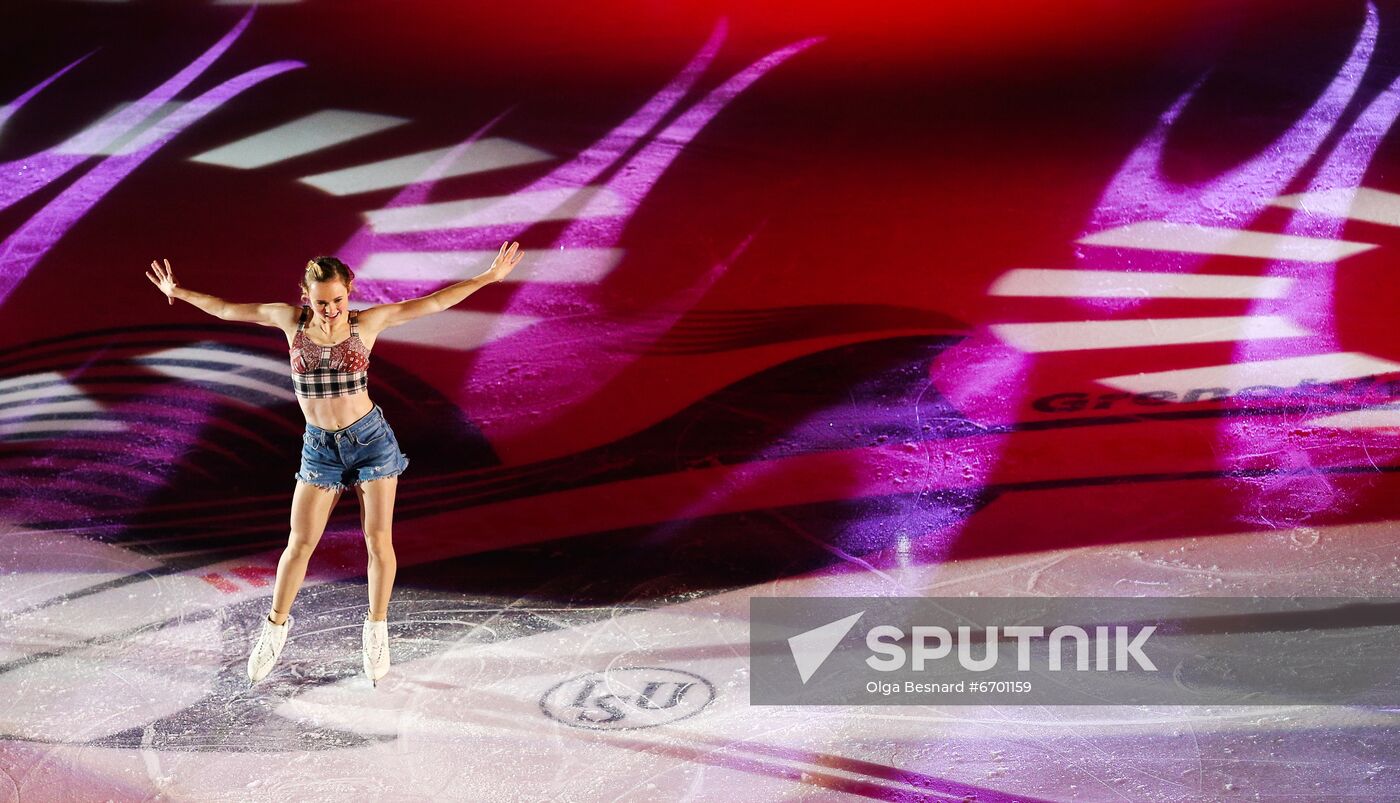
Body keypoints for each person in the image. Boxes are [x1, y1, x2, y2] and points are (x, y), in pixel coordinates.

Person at [144, 242, 523, 686]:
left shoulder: (369, 322)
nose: (331, 310)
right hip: (320, 448)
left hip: (371, 442)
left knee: (378, 539)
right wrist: (179, 290)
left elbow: (434, 302)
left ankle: (376, 630)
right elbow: (228, 310)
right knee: (299, 544)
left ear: (350, 292)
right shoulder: (290, 321)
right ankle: (274, 628)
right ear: (306, 297)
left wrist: (487, 278)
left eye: (338, 300)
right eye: (321, 302)